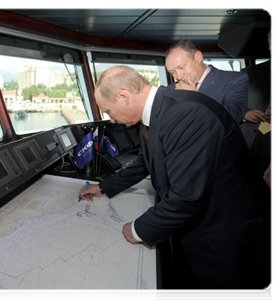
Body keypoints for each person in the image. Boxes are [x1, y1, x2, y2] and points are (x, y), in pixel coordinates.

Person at [78, 65, 272, 299]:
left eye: (109, 111)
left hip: (227, 237)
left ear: (123, 96)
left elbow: (187, 199)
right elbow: (144, 162)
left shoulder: (184, 113)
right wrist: (104, 187)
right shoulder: (160, 110)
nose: (112, 119)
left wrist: (138, 229)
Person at [165, 40, 248, 124]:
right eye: (172, 72)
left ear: (198, 57)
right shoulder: (169, 91)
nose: (178, 77)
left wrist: (194, 98)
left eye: (181, 67)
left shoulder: (234, 80)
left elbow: (233, 117)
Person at [240, 24, 275, 148]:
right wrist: (244, 114)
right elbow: (230, 104)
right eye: (273, 39)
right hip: (250, 141)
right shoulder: (247, 73)